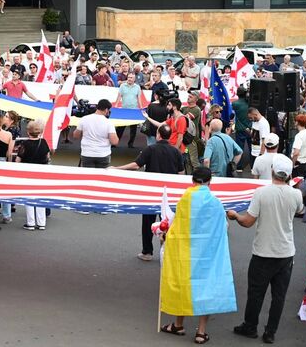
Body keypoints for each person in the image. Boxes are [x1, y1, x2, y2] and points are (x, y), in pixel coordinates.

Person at [227, 154, 303, 344]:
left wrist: (236, 215)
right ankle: (270, 331)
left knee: (256, 292)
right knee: (279, 296)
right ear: (289, 174)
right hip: (286, 252)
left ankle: (250, 326)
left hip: (263, 252)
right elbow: (299, 210)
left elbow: (248, 222)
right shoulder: (296, 194)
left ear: (272, 172)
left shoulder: (262, 193)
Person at [160, 166, 237, 345]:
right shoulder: (216, 202)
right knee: (206, 287)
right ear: (210, 182)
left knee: (184, 284)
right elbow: (224, 227)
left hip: (186, 252)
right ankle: (201, 332)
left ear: (192, 180)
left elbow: (177, 227)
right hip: (208, 254)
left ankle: (178, 324)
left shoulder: (185, 199)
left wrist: (165, 236)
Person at [112, 125, 184, 261]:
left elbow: (136, 165)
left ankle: (147, 252)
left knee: (147, 222)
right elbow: (181, 173)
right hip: (169, 193)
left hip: (152, 191)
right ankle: (169, 251)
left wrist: (117, 168)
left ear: (158, 135)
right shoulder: (176, 152)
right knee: (168, 221)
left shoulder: (151, 149)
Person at [16, 120, 51, 230]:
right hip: (41, 173)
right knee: (40, 196)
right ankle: (41, 222)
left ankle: (30, 222)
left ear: (28, 132)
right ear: (39, 132)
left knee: (29, 197)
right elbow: (48, 157)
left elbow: (18, 160)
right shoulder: (44, 142)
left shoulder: (24, 144)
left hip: (28, 174)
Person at [73, 99, 118, 168]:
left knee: (87, 176)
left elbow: (76, 136)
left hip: (87, 153)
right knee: (101, 176)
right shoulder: (109, 123)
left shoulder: (84, 119)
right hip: (103, 154)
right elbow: (114, 141)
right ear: (106, 110)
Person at [0, 113, 14, 223]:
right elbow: (9, 153)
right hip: (2, 161)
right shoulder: (8, 134)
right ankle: (7, 215)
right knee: (5, 189)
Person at [116, 73, 141, 149]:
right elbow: (119, 97)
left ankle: (131, 144)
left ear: (134, 79)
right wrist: (116, 106)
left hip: (134, 110)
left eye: (131, 78)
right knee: (120, 127)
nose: (129, 79)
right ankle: (115, 142)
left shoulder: (137, 87)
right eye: (128, 77)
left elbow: (139, 98)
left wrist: (141, 108)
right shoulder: (122, 86)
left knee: (133, 129)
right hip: (124, 110)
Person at [232, 87, 251, 172]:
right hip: (250, 129)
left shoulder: (235, 104)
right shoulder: (250, 103)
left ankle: (239, 167)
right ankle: (253, 166)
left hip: (240, 129)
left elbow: (231, 114)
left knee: (240, 148)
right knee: (252, 148)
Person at [291, 113, 306, 178]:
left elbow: (296, 153)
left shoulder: (299, 136)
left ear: (297, 122)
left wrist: (292, 165)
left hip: (298, 165)